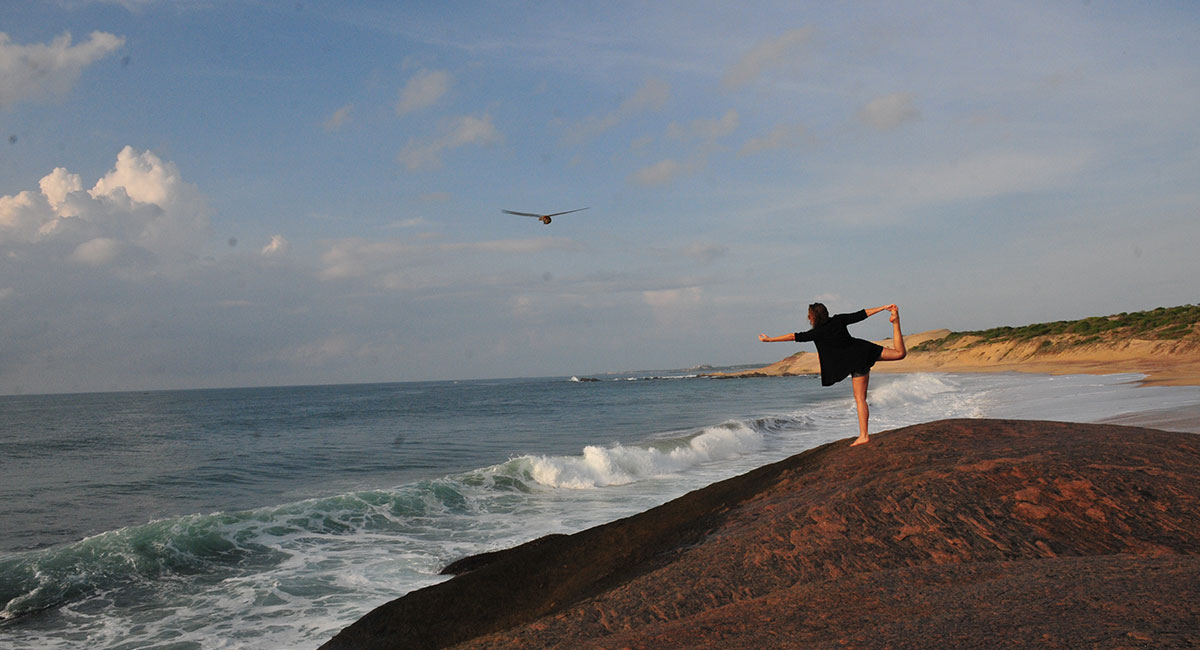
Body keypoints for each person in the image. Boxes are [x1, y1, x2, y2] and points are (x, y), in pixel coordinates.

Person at [759, 303, 906, 446]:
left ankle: (864, 436)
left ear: (812, 317)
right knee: (900, 354)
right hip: (863, 349)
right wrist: (882, 308)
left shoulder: (816, 333)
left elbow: (793, 336)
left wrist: (770, 339)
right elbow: (862, 314)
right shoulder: (838, 319)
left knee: (860, 399)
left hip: (856, 362)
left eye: (809, 316)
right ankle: (895, 322)